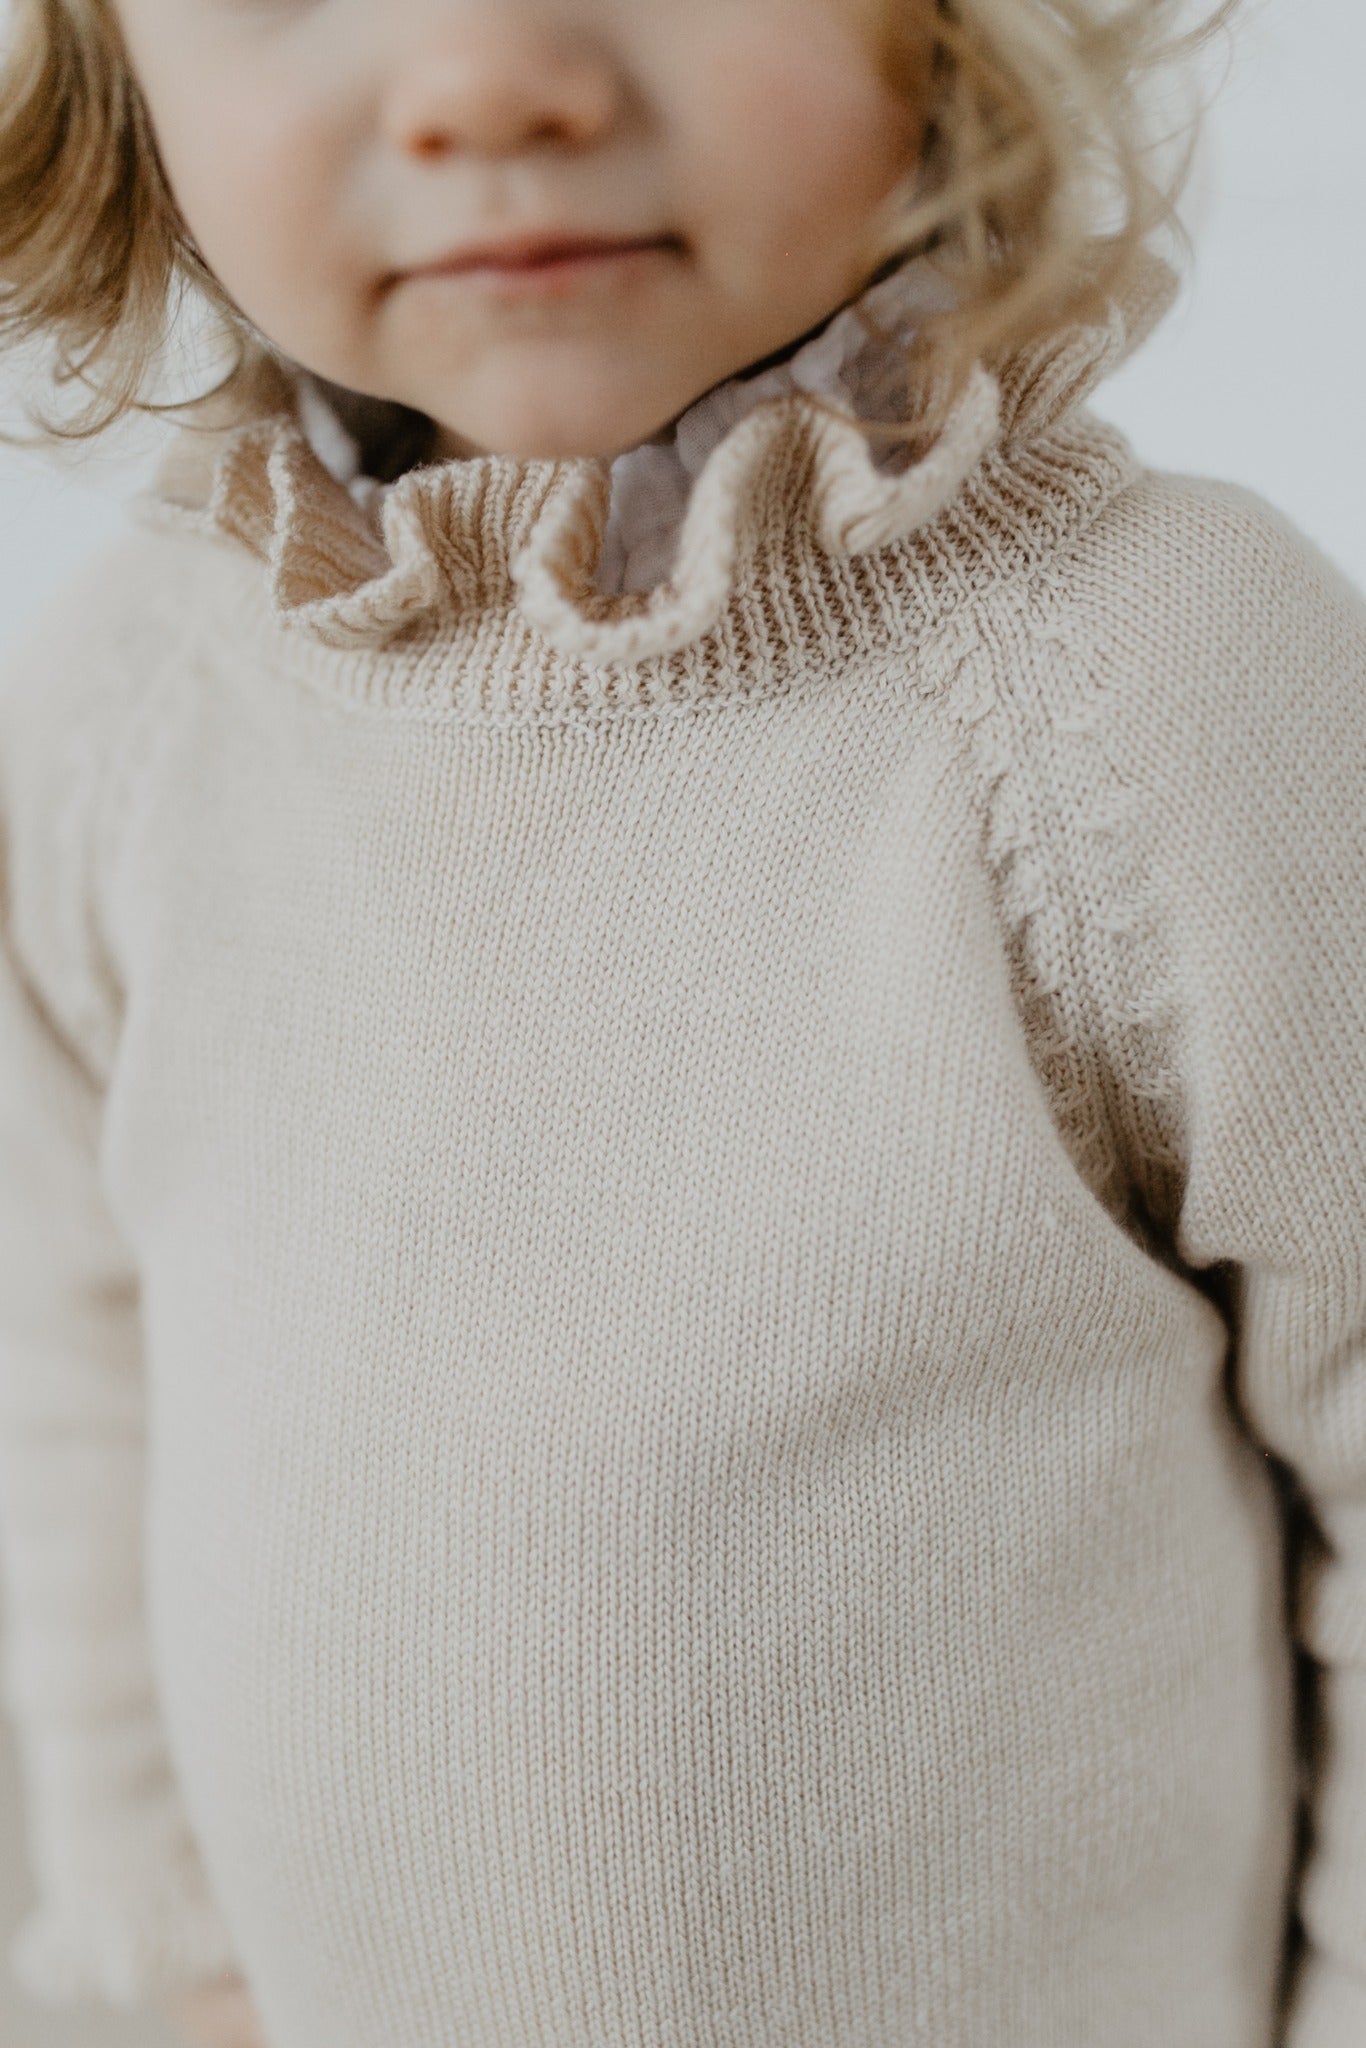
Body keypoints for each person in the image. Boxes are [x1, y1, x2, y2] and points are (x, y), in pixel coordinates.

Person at [0, 0, 1361, 2044]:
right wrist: (174, 1942)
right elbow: (69, 1366)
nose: (487, 80)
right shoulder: (126, 710)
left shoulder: (1151, 697)